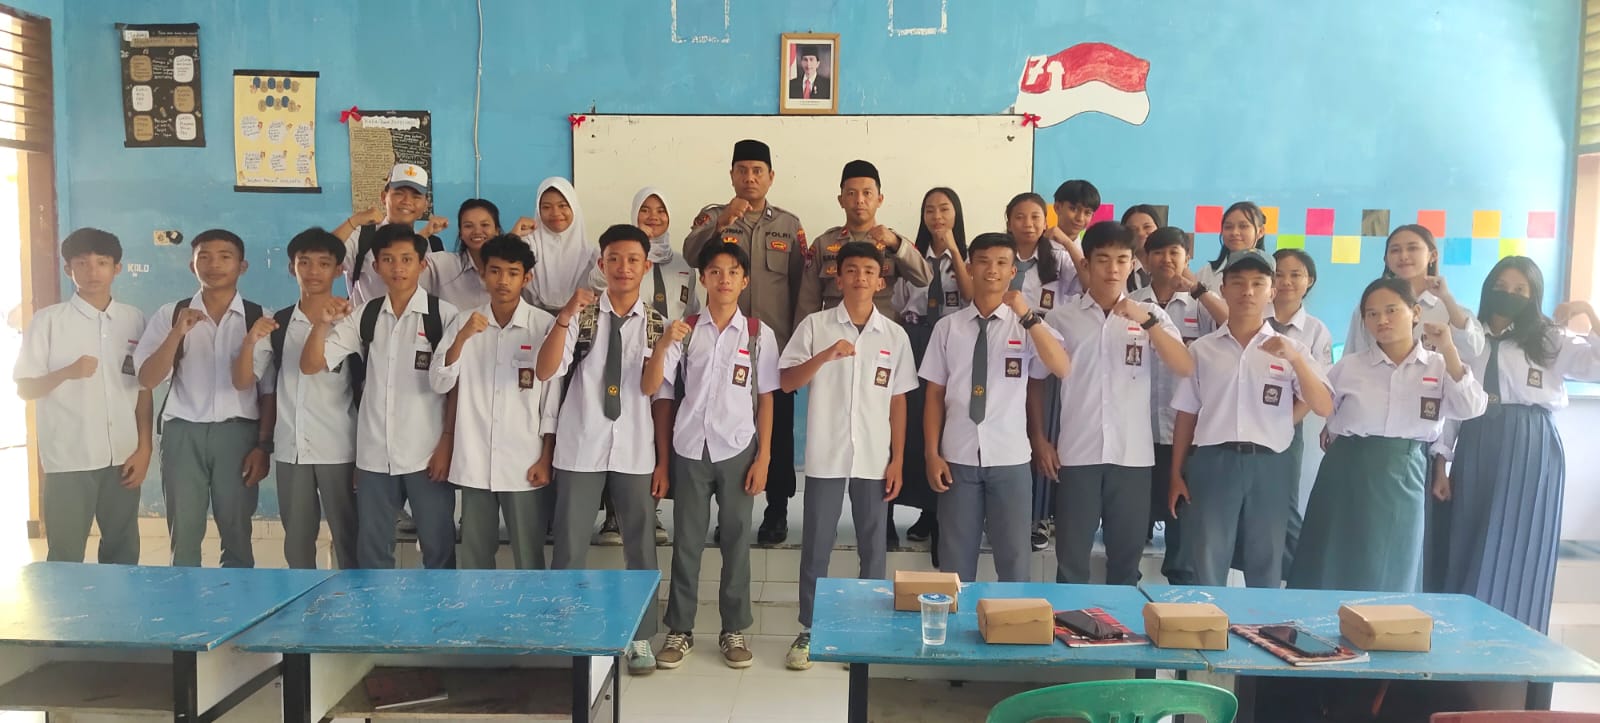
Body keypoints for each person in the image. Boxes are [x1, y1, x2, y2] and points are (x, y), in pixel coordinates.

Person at [1429, 256, 1600, 632]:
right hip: (1477, 438)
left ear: (1533, 295)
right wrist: (1441, 463)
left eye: (1520, 289)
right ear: (1488, 289)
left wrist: (1587, 312)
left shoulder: (1549, 337)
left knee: (1521, 539)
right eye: (1502, 286)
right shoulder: (1468, 335)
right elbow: (1453, 403)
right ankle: (1460, 631)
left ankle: (1516, 632)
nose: (1509, 294)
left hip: (1531, 443)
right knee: (1468, 535)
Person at [1289, 278, 1485, 593]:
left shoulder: (1437, 365)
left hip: (1403, 469)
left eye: (1391, 310)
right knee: (1330, 559)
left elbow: (1471, 407)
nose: (1382, 320)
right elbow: (1323, 405)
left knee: (1393, 563)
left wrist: (1449, 350)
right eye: (1372, 314)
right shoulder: (1350, 366)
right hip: (1345, 468)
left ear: (1415, 313)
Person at [536, 223, 670, 674]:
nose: (623, 268)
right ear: (601, 264)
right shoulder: (582, 316)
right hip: (581, 444)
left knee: (641, 546)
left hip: (634, 448)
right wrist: (563, 317)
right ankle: (564, 630)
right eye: (614, 259)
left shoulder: (657, 325)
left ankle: (641, 636)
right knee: (570, 544)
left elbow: (660, 397)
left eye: (633, 260)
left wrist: (662, 460)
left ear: (646, 266)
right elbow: (546, 371)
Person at [779, 242, 916, 671]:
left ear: (881, 281)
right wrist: (826, 355)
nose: (860, 278)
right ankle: (809, 629)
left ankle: (867, 632)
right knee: (816, 547)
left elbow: (898, 401)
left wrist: (897, 459)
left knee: (873, 548)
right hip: (826, 454)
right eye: (851, 270)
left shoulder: (894, 335)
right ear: (837, 279)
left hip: (874, 457)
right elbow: (787, 382)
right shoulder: (816, 326)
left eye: (868, 271)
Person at [643, 241, 778, 670]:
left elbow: (767, 398)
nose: (724, 279)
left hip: (738, 448)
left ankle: (733, 628)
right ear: (702, 278)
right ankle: (680, 629)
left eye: (733, 272)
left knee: (736, 540)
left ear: (745, 280)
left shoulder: (758, 334)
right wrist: (663, 461)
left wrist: (764, 458)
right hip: (689, 449)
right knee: (686, 541)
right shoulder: (683, 330)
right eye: (715, 271)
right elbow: (659, 391)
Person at [1033, 221, 1193, 586]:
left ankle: (1121, 623)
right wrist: (1040, 438)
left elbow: (1185, 366)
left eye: (1122, 260)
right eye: (1103, 259)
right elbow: (1038, 379)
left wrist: (1147, 322)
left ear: (1133, 264)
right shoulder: (1062, 317)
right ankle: (1068, 621)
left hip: (1132, 457)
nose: (1113, 269)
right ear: (1086, 263)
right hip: (1078, 454)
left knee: (1125, 563)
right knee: (1071, 561)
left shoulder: (1152, 314)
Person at [1167, 249, 1333, 588]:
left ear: (1271, 292)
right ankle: (1208, 620)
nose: (1248, 291)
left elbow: (1323, 406)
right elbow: (1186, 413)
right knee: (1208, 555)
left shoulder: (1292, 349)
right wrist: (1175, 473)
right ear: (1223, 289)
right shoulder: (1202, 349)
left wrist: (1296, 361)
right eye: (1238, 283)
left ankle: (1263, 622)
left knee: (1266, 558)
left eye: (1258, 283)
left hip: (1270, 464)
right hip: (1213, 462)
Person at [306, 224, 459, 570]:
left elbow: (455, 388)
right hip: (375, 454)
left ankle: (439, 606)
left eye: (406, 259)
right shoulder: (366, 314)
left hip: (427, 454)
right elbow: (312, 364)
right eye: (388, 260)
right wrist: (322, 323)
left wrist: (447, 444)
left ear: (422, 265)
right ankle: (376, 606)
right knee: (373, 552)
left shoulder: (444, 316)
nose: (397, 268)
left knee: (439, 549)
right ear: (376, 267)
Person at [922, 232, 1068, 582]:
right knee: (955, 560)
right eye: (984, 262)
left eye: (1002, 263)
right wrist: (931, 453)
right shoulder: (948, 328)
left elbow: (1061, 367)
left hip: (1010, 458)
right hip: (958, 456)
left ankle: (1013, 618)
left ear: (1013, 271)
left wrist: (1027, 315)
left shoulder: (1028, 324)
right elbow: (934, 395)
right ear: (969, 267)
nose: (992, 270)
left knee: (1014, 559)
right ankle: (956, 619)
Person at [683, 139, 807, 545]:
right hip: (721, 345)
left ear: (770, 177)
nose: (750, 178)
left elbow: (800, 287)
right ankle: (729, 514)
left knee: (778, 434)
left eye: (758, 171)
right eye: (742, 170)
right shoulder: (713, 215)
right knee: (722, 432)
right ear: (732, 175)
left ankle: (776, 510)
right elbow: (691, 255)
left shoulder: (788, 225)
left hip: (772, 349)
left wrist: (795, 346)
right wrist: (721, 224)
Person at [134, 229, 273, 568]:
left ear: (242, 266)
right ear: (191, 265)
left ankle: (237, 597)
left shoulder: (259, 316)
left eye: (225, 257)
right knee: (184, 533)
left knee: (237, 532)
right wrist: (177, 333)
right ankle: (186, 599)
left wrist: (263, 446)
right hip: (183, 433)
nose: (214, 265)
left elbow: (266, 392)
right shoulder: (171, 314)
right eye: (204, 257)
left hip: (238, 435)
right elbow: (147, 378)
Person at [14, 228, 151, 564]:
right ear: (68, 269)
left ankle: (118, 600)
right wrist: (66, 372)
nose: (93, 272)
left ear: (117, 268)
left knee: (123, 552)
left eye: (102, 263)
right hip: (70, 457)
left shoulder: (133, 319)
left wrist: (144, 447)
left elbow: (142, 388)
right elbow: (25, 388)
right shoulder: (48, 321)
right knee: (65, 555)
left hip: (123, 455)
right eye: (82, 263)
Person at [428, 235, 557, 570]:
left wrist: (546, 456)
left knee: (529, 558)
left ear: (526, 277)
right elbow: (439, 382)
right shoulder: (463, 322)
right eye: (495, 271)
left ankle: (530, 609)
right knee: (474, 557)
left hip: (524, 463)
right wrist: (462, 338)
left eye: (512, 273)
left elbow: (551, 403)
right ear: (483, 274)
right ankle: (477, 607)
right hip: (475, 460)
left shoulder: (543, 326)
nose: (503, 281)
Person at [235, 228, 360, 569]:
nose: (313, 271)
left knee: (349, 538)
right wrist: (249, 342)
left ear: (339, 270)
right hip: (291, 448)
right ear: (292, 268)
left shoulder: (352, 321)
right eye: (304, 262)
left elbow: (312, 366)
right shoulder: (277, 322)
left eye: (324, 263)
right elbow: (243, 381)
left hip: (339, 447)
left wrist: (323, 324)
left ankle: (355, 599)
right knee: (298, 543)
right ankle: (306, 600)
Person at [1128, 227, 1216, 584]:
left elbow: (1233, 329)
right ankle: (1128, 582)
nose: (1166, 259)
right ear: (1145, 260)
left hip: (1186, 426)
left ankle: (1182, 587)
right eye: (1158, 252)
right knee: (1134, 516)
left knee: (1183, 513)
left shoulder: (1201, 305)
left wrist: (1200, 290)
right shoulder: (1130, 303)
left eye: (1174, 252)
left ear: (1187, 258)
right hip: (1139, 427)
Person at [890, 187, 973, 550]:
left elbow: (970, 296)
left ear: (956, 214)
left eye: (944, 209)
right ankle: (922, 509)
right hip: (915, 338)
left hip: (954, 341)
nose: (937, 217)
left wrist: (954, 249)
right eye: (930, 210)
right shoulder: (909, 258)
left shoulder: (970, 257)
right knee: (912, 425)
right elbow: (896, 305)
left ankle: (942, 515)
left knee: (945, 425)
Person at [1007, 192, 1080, 551]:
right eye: (1020, 217)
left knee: (1044, 435)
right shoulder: (1000, 257)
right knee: (1010, 431)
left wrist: (1065, 239)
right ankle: (1008, 515)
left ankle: (1040, 517)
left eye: (1036, 217)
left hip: (1046, 352)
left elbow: (1088, 281)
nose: (1028, 224)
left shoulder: (1058, 258)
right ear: (1008, 221)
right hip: (1004, 353)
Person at [1265, 247, 1333, 573]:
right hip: (1242, 427)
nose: (1286, 281)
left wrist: (1285, 425)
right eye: (1278, 274)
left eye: (1296, 275)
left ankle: (1297, 572)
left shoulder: (1316, 331)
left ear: (1310, 281)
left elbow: (1316, 388)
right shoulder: (1251, 317)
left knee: (1284, 502)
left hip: (1287, 427)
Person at [797, 160, 933, 320]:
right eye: (851, 193)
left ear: (880, 199)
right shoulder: (823, 244)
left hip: (882, 330)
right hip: (834, 330)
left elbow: (924, 279)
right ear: (841, 200)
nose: (859, 200)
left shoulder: (893, 242)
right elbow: (807, 303)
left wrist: (896, 244)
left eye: (867, 193)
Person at [1345, 224, 1485, 358]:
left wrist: (1447, 298)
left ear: (1433, 255)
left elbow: (1473, 350)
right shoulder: (1370, 308)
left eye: (1412, 248)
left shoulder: (1448, 309)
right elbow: (1353, 355)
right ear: (1386, 260)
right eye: (1395, 250)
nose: (1403, 256)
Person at [332, 163, 449, 307]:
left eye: (416, 196)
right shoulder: (361, 236)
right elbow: (323, 257)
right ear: (384, 197)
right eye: (399, 193)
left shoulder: (434, 245)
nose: (407, 202)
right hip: (367, 321)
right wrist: (354, 221)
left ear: (426, 204)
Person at [515, 177, 597, 314]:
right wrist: (513, 237)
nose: (555, 213)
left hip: (580, 322)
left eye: (562, 205)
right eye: (546, 207)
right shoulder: (526, 246)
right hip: (530, 321)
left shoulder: (593, 256)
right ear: (538, 210)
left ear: (574, 207)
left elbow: (599, 296)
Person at [422, 198, 503, 310]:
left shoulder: (510, 269)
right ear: (460, 233)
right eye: (468, 226)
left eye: (485, 225)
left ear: (497, 231)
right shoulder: (441, 265)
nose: (477, 231)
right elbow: (404, 264)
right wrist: (424, 233)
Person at [1194, 202, 1267, 293]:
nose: (1234, 232)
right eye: (1228, 227)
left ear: (1260, 231)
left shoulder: (1270, 273)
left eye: (1243, 226)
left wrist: (1201, 294)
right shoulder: (1207, 272)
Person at [1120, 204, 1163, 292]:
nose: (1141, 233)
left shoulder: (1170, 264)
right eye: (1133, 229)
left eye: (1147, 227)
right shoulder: (1118, 268)